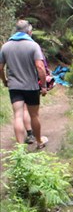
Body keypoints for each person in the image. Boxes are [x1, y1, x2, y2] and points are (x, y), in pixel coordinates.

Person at [0, 19, 49, 149]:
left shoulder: (6, 46)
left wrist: (5, 81)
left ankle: (20, 149)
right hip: (31, 87)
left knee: (18, 115)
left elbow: (0, 68)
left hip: (14, 87)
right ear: (29, 31)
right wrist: (43, 86)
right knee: (34, 115)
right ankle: (39, 141)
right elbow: (40, 67)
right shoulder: (33, 46)